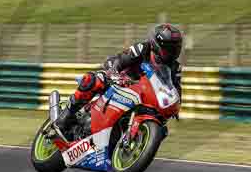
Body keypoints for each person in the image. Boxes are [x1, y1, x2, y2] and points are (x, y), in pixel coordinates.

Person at [54, 23, 183, 134]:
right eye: (169, 49)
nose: (172, 52)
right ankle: (66, 116)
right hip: (120, 77)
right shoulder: (143, 48)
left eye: (175, 49)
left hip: (141, 94)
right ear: (157, 45)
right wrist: (115, 74)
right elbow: (121, 60)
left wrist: (175, 106)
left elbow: (175, 89)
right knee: (94, 80)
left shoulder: (174, 67)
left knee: (161, 127)